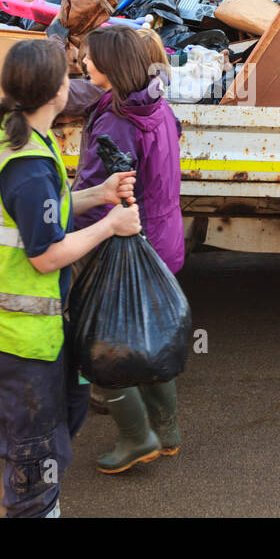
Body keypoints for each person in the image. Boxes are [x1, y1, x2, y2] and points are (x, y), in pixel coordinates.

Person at [0, 38, 141, 518]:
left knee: (55, 425)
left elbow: (44, 218)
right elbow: (46, 255)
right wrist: (110, 226)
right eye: (68, 74)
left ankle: (16, 503)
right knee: (38, 455)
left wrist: (97, 193)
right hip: (14, 333)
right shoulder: (28, 164)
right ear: (57, 90)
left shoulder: (17, 137)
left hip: (19, 326)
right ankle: (27, 508)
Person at [74, 26, 186, 474]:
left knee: (103, 344)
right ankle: (168, 431)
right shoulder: (154, 105)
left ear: (111, 66)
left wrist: (70, 236)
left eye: (90, 58)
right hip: (161, 238)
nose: (83, 64)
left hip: (123, 241)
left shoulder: (119, 122)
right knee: (148, 337)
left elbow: (100, 191)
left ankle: (137, 437)